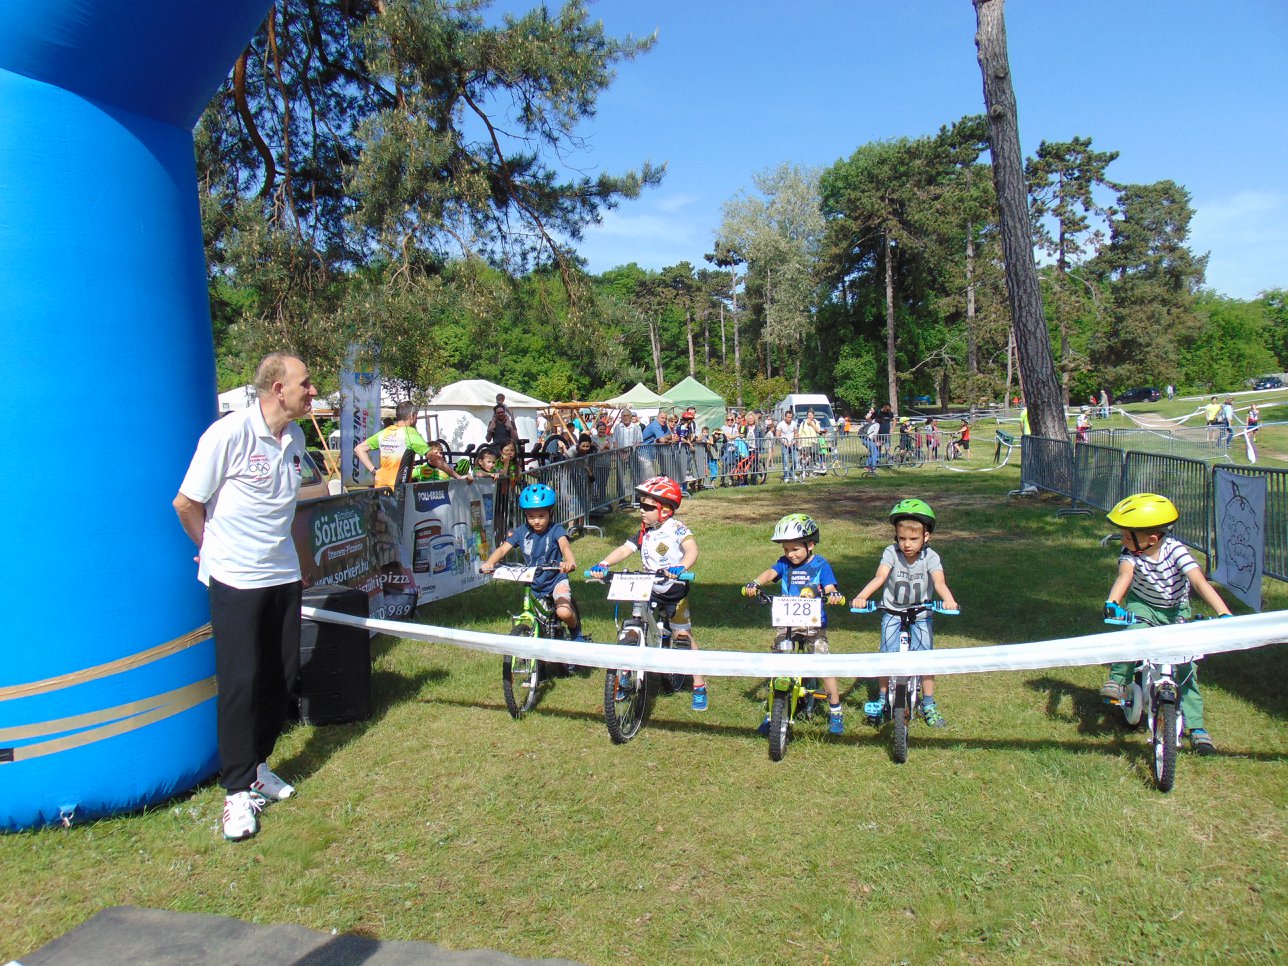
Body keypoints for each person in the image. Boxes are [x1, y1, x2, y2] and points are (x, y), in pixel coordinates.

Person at [172, 352, 317, 841]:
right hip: (235, 578)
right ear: (278, 388)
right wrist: (210, 548)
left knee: (283, 675)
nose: (312, 390)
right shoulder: (227, 434)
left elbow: (283, 509)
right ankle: (236, 792)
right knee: (241, 681)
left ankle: (257, 766)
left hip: (282, 574)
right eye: (305, 383)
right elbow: (186, 503)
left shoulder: (296, 438)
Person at [1099, 493, 1232, 755]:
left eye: (1128, 536)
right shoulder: (1131, 553)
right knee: (1132, 637)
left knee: (1187, 667)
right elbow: (1124, 576)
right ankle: (1117, 681)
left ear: (1152, 539)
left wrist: (1223, 613)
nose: (1123, 541)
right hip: (1143, 605)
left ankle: (1197, 727)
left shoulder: (1176, 551)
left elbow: (1198, 581)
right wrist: (1113, 601)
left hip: (1175, 611)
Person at [588, 476, 709, 711]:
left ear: (665, 510)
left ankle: (698, 684)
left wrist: (681, 567)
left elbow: (692, 549)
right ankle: (625, 674)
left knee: (683, 636)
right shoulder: (645, 532)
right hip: (648, 587)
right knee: (635, 624)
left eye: (648, 507)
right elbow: (625, 549)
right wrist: (604, 563)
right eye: (640, 505)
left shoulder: (677, 529)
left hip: (674, 591)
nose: (641, 510)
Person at [851, 499, 959, 728]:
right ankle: (882, 698)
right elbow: (880, 577)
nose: (907, 544)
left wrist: (949, 600)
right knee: (885, 656)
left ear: (926, 537)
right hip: (892, 611)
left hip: (921, 613)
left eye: (913, 539)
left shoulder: (931, 557)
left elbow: (939, 582)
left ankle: (928, 702)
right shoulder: (891, 553)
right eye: (902, 538)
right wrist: (862, 596)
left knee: (925, 658)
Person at [741, 514, 847, 735]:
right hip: (788, 622)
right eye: (786, 549)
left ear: (810, 545)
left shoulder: (821, 565)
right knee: (778, 662)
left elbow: (829, 586)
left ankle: (835, 710)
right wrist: (756, 583)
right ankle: (772, 712)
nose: (790, 554)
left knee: (822, 663)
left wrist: (833, 594)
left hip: (813, 625)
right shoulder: (784, 564)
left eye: (795, 549)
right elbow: (771, 573)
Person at [480, 483, 587, 642]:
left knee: (563, 612)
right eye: (531, 516)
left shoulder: (556, 529)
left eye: (541, 516)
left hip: (556, 579)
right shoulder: (521, 532)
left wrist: (569, 562)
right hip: (534, 582)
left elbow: (565, 546)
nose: (536, 521)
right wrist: (490, 563)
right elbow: (502, 549)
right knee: (540, 622)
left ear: (550, 513)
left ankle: (576, 633)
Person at [356, 400, 428, 488]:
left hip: (381, 486)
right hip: (398, 487)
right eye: (416, 416)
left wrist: (374, 471)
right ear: (411, 416)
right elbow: (431, 456)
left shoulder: (384, 433)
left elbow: (359, 449)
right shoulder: (410, 432)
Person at [776, 409, 799, 482]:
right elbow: (777, 435)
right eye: (788, 417)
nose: (789, 419)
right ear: (785, 417)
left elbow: (796, 433)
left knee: (796, 460)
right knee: (785, 461)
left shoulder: (794, 423)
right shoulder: (780, 424)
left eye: (791, 417)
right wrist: (784, 442)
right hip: (785, 445)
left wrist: (794, 440)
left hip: (793, 444)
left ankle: (791, 472)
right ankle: (786, 476)